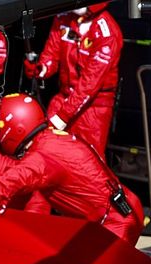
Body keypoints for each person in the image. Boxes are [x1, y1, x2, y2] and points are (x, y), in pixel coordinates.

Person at [0, 94, 144, 244]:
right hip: (123, 208)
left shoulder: (41, 157)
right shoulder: (51, 138)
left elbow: (18, 177)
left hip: (113, 222)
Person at [23, 3, 122, 156]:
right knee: (43, 152)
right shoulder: (63, 18)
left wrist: (63, 116)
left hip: (93, 109)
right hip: (63, 97)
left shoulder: (107, 32)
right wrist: (41, 69)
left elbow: (90, 84)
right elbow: (51, 55)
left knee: (87, 161)